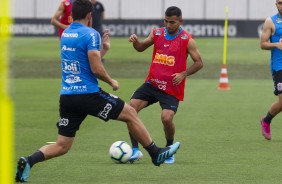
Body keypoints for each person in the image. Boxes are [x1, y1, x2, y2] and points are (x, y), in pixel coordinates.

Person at [15, 0, 180, 182]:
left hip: (68, 97)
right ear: (89, 15)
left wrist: (104, 50)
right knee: (131, 113)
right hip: (88, 95)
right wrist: (111, 81)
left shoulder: (66, 34)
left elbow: (84, 62)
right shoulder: (91, 33)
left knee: (62, 145)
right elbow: (95, 68)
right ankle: (155, 153)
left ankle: (28, 161)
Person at [127, 6, 203, 164]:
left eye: (172, 22)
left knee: (166, 118)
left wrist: (183, 74)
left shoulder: (187, 40)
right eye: (166, 21)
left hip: (171, 88)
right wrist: (136, 42)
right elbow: (141, 48)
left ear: (180, 21)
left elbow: (199, 63)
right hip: (152, 83)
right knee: (130, 110)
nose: (168, 25)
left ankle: (169, 149)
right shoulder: (157, 33)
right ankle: (135, 150)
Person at [260, 0, 282, 140]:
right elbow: (262, 44)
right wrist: (276, 45)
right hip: (279, 66)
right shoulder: (271, 21)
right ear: (276, 4)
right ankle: (266, 120)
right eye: (280, 2)